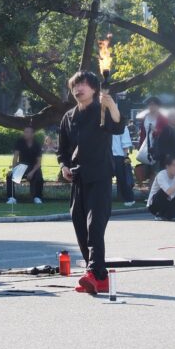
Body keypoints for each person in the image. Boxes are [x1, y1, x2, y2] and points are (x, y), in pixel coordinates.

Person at [56, 70, 126, 295]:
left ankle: (93, 273)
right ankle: (98, 276)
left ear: (94, 89)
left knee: (94, 226)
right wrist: (64, 166)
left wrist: (112, 105)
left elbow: (117, 127)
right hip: (78, 177)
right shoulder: (68, 116)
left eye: (83, 84)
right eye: (75, 84)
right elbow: (63, 149)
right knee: (80, 227)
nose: (78, 88)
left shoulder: (101, 110)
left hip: (100, 175)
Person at [6, 126, 44, 204]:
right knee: (9, 176)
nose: (25, 134)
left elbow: (38, 163)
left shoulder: (37, 145)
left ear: (32, 134)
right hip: (22, 166)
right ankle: (11, 198)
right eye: (25, 132)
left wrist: (32, 172)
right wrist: (14, 170)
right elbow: (15, 157)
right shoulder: (19, 142)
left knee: (39, 175)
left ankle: (37, 197)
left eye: (27, 132)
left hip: (33, 167)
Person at [147, 156, 175, 221]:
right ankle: (160, 213)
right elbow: (168, 192)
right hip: (154, 205)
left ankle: (172, 213)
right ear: (167, 166)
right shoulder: (161, 175)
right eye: (174, 165)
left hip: (169, 202)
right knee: (163, 192)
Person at [111, 126, 135, 206]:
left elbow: (125, 144)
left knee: (123, 179)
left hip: (118, 155)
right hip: (111, 155)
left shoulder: (122, 126)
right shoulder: (105, 123)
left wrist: (125, 157)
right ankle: (129, 198)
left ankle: (129, 198)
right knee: (122, 179)